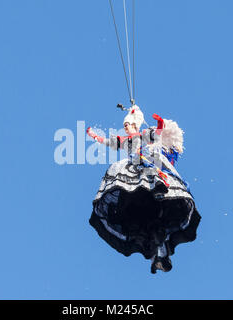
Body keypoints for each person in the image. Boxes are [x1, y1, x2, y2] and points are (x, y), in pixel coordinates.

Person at [86, 105, 201, 274]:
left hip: (145, 161)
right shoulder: (123, 140)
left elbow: (158, 133)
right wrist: (94, 136)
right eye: (124, 124)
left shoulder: (143, 135)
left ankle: (157, 185)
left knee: (149, 162)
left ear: (135, 124)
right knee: (146, 224)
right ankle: (158, 255)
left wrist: (160, 123)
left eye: (128, 124)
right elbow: (107, 141)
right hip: (134, 171)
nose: (125, 126)